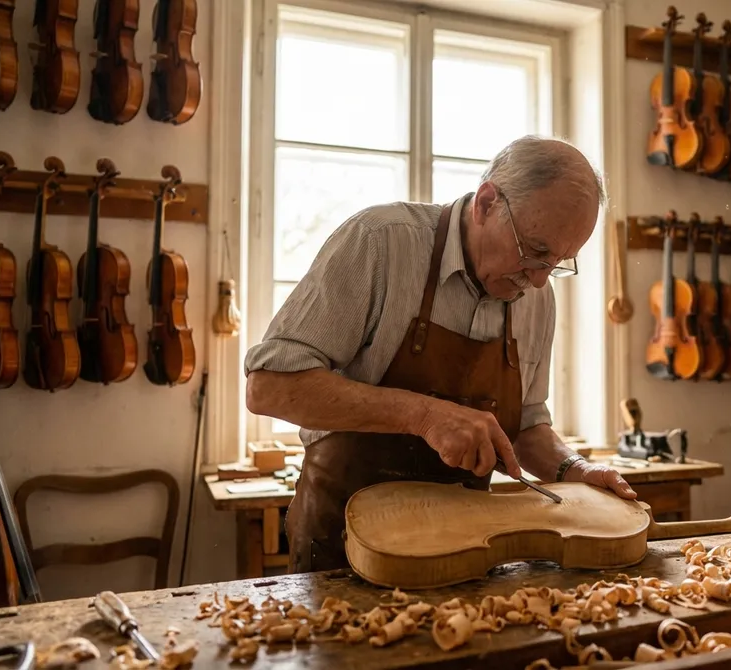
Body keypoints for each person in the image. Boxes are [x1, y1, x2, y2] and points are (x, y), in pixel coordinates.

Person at [244, 135, 638, 573]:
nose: (541, 280)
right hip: (347, 549)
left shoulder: (536, 295)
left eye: (560, 262)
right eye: (537, 251)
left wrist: (573, 469)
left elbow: (526, 426)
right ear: (487, 203)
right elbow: (268, 387)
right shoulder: (381, 242)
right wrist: (425, 416)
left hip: (466, 554)